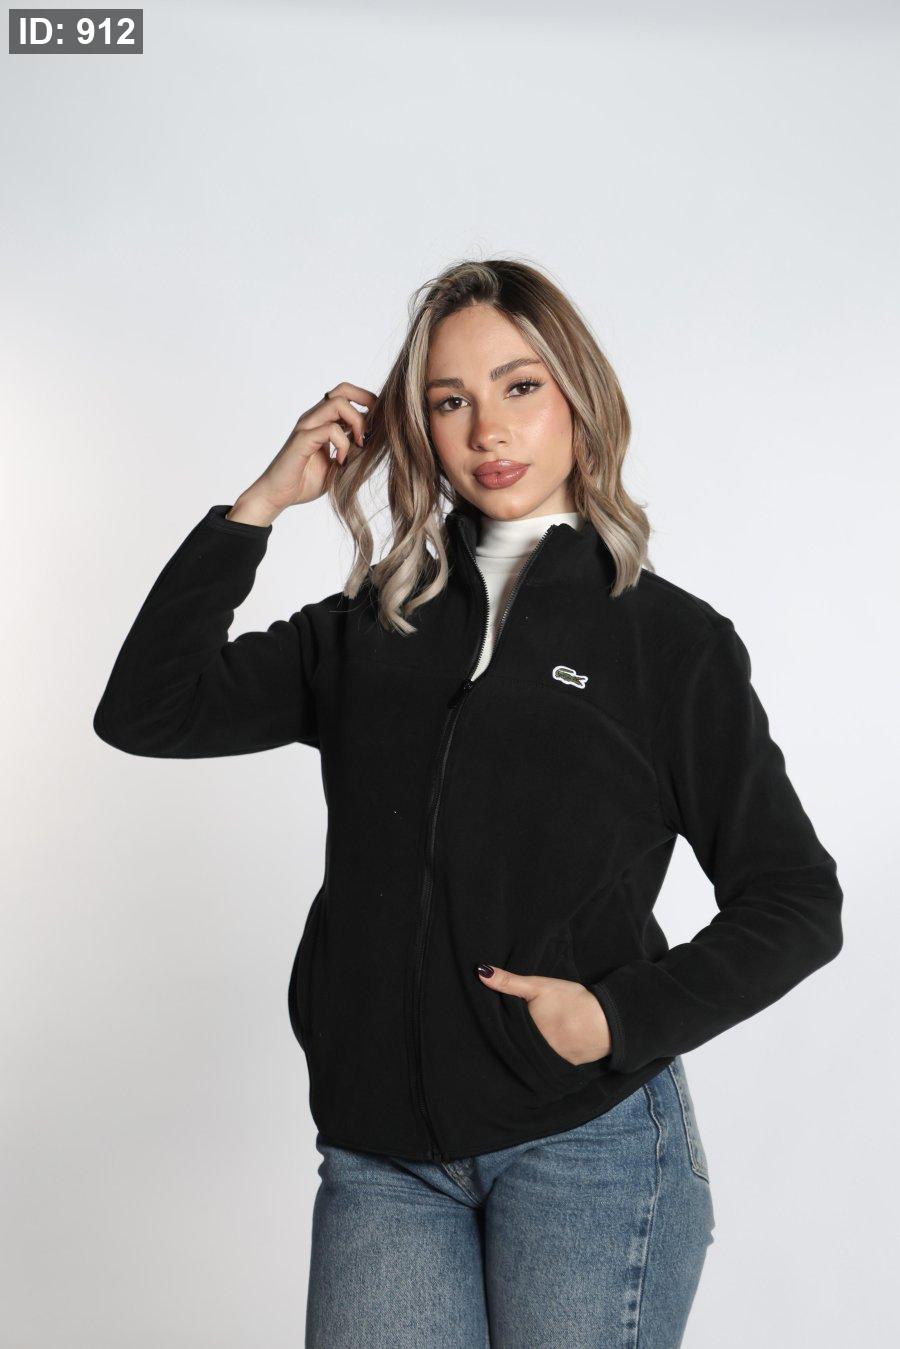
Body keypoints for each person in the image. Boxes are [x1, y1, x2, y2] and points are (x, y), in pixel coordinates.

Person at [93, 258, 844, 1347]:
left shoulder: (668, 642)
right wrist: (257, 507)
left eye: (520, 387)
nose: (489, 428)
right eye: (450, 401)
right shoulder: (373, 627)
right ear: (420, 428)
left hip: (587, 1144)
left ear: (578, 398)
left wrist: (617, 1018)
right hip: (382, 1155)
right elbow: (146, 710)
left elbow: (795, 900)